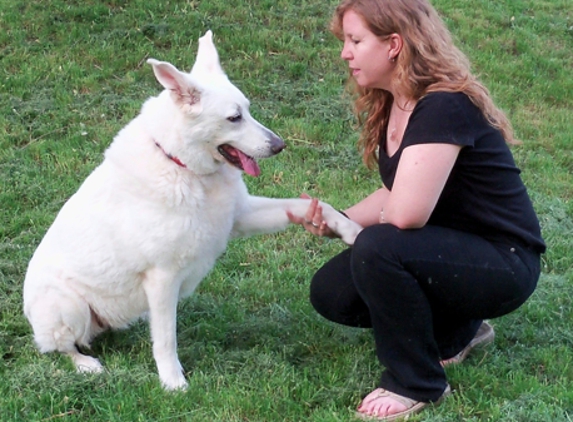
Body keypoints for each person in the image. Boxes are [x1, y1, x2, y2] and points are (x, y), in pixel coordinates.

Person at [287, 0, 546, 420]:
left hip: (504, 262)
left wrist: (360, 233)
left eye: (355, 40)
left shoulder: (443, 105)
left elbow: (405, 214)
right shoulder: (396, 100)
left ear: (393, 44)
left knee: (379, 248)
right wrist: (340, 217)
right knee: (333, 291)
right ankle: (458, 331)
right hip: (454, 251)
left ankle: (416, 382)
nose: (345, 52)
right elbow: (395, 192)